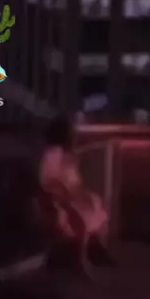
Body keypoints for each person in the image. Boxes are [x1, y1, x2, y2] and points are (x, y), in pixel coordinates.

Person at [37, 118, 114, 277]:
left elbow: (74, 178)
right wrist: (65, 194)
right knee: (79, 217)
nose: (74, 136)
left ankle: (97, 249)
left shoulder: (67, 153)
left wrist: (78, 190)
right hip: (57, 197)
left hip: (71, 194)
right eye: (71, 134)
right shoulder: (52, 153)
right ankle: (80, 260)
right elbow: (48, 181)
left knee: (95, 203)